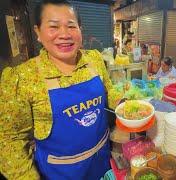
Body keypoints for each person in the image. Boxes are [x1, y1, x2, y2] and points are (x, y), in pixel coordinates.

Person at [0, 0, 112, 179]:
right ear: (38, 32)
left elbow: (109, 91)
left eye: (71, 26)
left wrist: (125, 106)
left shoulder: (95, 60)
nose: (64, 34)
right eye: (53, 27)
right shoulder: (23, 77)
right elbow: (10, 140)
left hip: (103, 162)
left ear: (80, 29)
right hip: (60, 173)